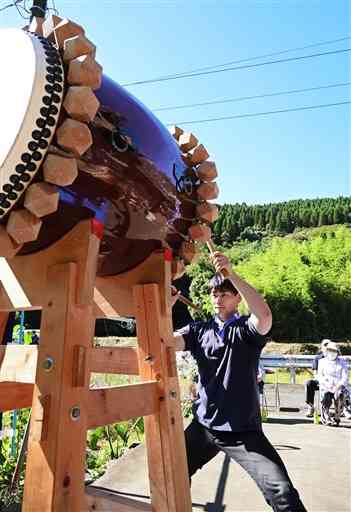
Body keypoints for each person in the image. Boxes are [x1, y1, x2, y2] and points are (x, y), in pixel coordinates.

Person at [172, 251, 306, 512]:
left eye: (224, 294)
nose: (217, 298)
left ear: (237, 299)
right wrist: (167, 305)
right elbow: (166, 342)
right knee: (172, 473)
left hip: (243, 431)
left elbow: (264, 316)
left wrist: (230, 273)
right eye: (214, 294)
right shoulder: (199, 330)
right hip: (204, 427)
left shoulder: (246, 329)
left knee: (283, 494)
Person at [318, 341, 349, 426]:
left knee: (341, 395)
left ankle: (337, 416)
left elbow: (345, 378)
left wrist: (337, 386)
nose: (332, 352)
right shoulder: (322, 362)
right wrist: (328, 385)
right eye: (330, 350)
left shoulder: (343, 363)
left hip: (339, 386)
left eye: (334, 351)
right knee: (326, 396)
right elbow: (320, 377)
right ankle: (326, 417)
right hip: (326, 386)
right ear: (327, 351)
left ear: (337, 352)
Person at [304, 339, 330, 417]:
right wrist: (321, 379)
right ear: (321, 347)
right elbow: (315, 373)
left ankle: (343, 409)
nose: (327, 347)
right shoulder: (317, 358)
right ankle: (311, 406)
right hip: (320, 380)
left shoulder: (334, 357)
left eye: (328, 344)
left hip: (333, 381)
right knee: (309, 383)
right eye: (325, 345)